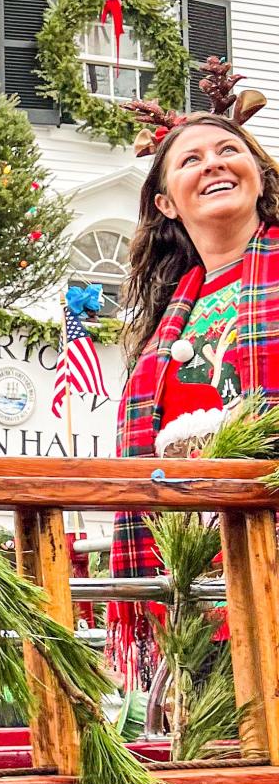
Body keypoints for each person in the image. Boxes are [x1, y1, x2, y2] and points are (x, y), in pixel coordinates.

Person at [108, 67, 272, 686]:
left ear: (260, 176)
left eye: (229, 150)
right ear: (167, 203)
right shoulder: (167, 321)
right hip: (198, 582)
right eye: (191, 160)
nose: (214, 165)